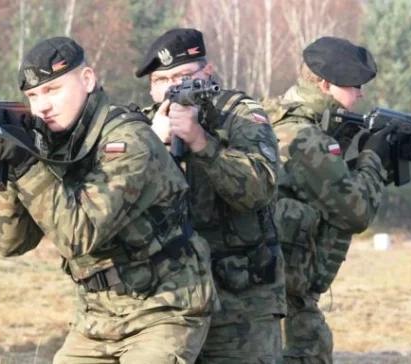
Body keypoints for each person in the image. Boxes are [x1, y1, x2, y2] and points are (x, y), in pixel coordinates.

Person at [0, 36, 217, 364]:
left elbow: (80, 233)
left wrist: (27, 164)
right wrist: (9, 169)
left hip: (164, 309)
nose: (42, 105)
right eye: (33, 96)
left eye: (53, 90)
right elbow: (8, 243)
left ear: (87, 80)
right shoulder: (54, 146)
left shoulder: (129, 141)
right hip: (97, 318)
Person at [136, 28, 286, 363]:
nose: (172, 87)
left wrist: (201, 142)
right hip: (166, 303)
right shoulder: (140, 128)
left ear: (207, 72)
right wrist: (151, 147)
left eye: (184, 76)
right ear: (151, 87)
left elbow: (259, 189)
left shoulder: (241, 115)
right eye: (162, 79)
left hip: (240, 302)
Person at [266, 36, 393, 364]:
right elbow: (355, 212)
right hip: (284, 307)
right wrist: (374, 159)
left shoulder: (275, 116)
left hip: (266, 294)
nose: (360, 93)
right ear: (324, 84)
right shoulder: (306, 138)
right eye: (353, 86)